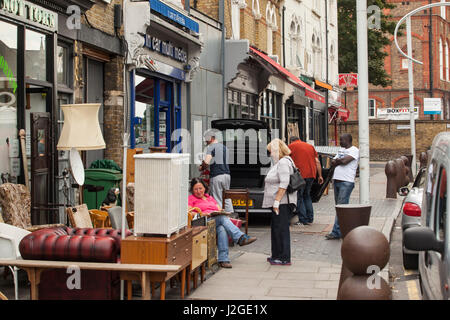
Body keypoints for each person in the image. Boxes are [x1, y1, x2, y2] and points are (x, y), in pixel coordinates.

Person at [188, 178, 257, 268]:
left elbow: (218, 209)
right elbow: (189, 212)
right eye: (196, 189)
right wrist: (202, 213)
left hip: (215, 221)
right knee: (222, 218)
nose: (198, 191)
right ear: (192, 190)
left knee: (222, 228)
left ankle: (223, 259)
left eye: (200, 188)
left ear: (204, 188)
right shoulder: (191, 198)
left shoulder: (210, 198)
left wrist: (222, 211)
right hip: (202, 222)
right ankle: (240, 238)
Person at [262, 138, 297, 265]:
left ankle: (284, 257)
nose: (270, 154)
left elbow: (284, 182)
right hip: (280, 202)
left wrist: (276, 201)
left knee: (281, 229)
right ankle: (276, 254)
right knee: (276, 228)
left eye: (271, 151)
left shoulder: (283, 162)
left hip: (282, 202)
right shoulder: (282, 162)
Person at [325, 133, 359, 240]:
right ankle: (342, 230)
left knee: (341, 208)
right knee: (339, 208)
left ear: (348, 140)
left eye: (342, 140)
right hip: (337, 181)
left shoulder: (354, 150)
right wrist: (338, 161)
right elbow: (333, 162)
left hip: (346, 181)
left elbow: (344, 161)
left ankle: (336, 232)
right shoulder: (341, 150)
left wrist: (338, 161)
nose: (340, 142)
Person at [288, 136, 324, 225]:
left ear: (291, 140)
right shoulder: (310, 146)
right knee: (307, 196)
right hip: (311, 174)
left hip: (300, 176)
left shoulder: (291, 146)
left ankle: (303, 219)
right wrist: (320, 176)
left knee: (299, 197)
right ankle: (310, 218)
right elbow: (317, 162)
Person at [199, 130, 233, 213]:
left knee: (217, 198)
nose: (206, 142)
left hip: (217, 176)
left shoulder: (211, 147)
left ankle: (220, 218)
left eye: (206, 139)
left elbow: (206, 162)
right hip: (227, 175)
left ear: (211, 138)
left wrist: (201, 167)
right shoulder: (224, 147)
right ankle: (231, 216)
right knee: (227, 197)